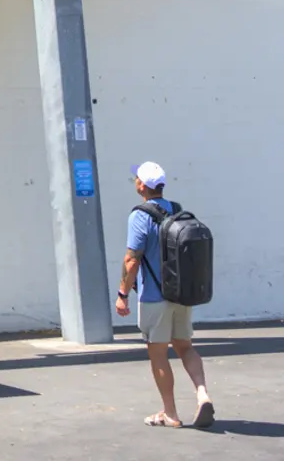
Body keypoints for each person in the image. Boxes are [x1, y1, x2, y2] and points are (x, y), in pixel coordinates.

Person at [114, 161, 214, 429]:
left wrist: (122, 293)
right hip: (181, 295)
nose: (134, 180)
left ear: (142, 186)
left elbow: (132, 259)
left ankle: (170, 413)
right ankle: (202, 393)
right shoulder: (178, 211)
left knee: (158, 354)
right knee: (185, 346)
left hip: (154, 298)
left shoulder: (139, 216)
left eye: (136, 178)